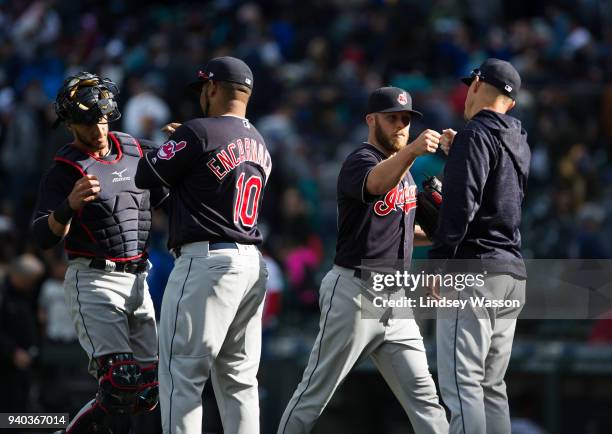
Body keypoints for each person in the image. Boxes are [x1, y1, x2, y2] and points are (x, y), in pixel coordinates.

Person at [277, 87, 451, 434]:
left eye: (406, 119)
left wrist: (442, 234)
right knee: (313, 396)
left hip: (395, 299)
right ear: (371, 120)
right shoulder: (362, 160)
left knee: (427, 403)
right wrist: (415, 151)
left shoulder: (405, 169)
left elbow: (403, 229)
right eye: (392, 118)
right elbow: (375, 183)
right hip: (354, 292)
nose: (401, 125)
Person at [134, 56, 271, 434]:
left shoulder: (197, 132)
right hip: (250, 264)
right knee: (240, 381)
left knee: (183, 374)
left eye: (203, 90)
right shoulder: (259, 141)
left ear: (212, 88)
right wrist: (186, 147)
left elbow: (147, 174)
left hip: (206, 263)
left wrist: (179, 142)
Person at [31, 72, 168, 433]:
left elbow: (168, 187)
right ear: (69, 125)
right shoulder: (63, 173)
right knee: (120, 383)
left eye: (101, 118)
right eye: (86, 122)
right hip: (93, 279)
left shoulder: (137, 150)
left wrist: (191, 146)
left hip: (139, 279)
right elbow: (42, 237)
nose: (97, 129)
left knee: (148, 390)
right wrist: (68, 206)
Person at [428, 58, 531, 434]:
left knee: (462, 384)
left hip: (472, 271)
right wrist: (462, 150)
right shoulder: (518, 138)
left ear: (474, 86)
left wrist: (438, 263)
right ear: (512, 104)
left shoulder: (474, 134)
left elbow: (462, 206)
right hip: (510, 272)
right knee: (491, 388)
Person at [0, 254, 45, 414]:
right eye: (30, 281)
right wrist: (12, 352)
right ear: (18, 276)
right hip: (6, 364)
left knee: (21, 410)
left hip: (25, 363)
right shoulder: (3, 295)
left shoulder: (27, 294)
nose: (32, 285)